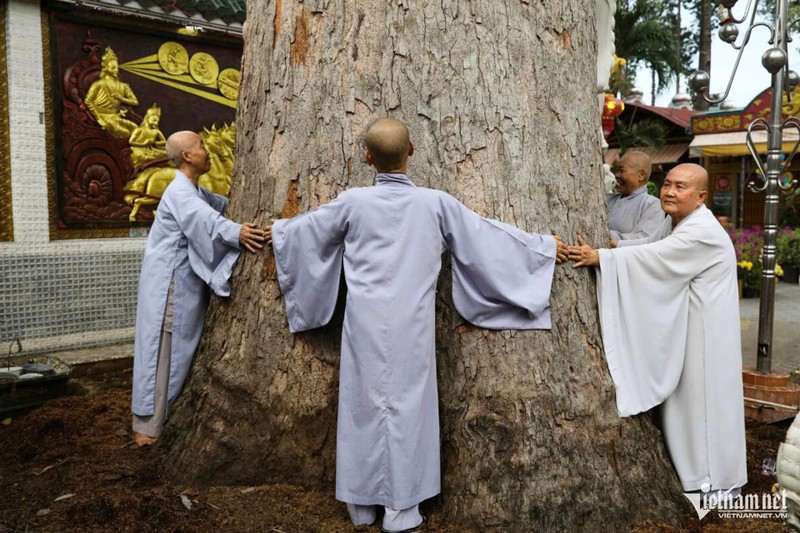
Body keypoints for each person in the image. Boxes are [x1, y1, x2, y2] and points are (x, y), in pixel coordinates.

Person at [265, 118, 567, 532]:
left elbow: (302, 233)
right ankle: (401, 508)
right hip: (411, 322)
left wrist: (271, 232)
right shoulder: (435, 203)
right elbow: (486, 236)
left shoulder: (352, 202)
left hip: (365, 322)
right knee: (407, 406)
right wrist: (542, 248)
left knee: (362, 403)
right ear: (411, 150)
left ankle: (361, 504)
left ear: (367, 157)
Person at [567, 163, 747, 495]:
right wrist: (614, 247)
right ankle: (693, 474)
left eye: (680, 187)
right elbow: (650, 244)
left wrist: (602, 258)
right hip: (692, 324)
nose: (670, 192)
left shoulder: (702, 231)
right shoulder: (676, 221)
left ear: (700, 196)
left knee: (702, 402)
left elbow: (658, 257)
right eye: (667, 184)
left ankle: (711, 480)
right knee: (685, 401)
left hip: (706, 333)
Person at [131, 131, 266, 447]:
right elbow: (204, 220)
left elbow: (216, 207)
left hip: (181, 284)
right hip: (169, 286)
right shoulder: (180, 193)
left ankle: (162, 421)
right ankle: (147, 429)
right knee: (162, 353)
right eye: (202, 145)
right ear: (187, 156)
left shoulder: (193, 191)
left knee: (178, 352)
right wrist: (237, 232)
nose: (207, 150)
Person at [607, 151, 665, 242]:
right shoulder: (607, 199)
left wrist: (605, 235)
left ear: (641, 175)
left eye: (621, 171)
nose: (616, 175)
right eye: (616, 171)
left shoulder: (652, 205)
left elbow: (644, 238)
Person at [85, 47, 140, 139]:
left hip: (115, 116)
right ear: (106, 68)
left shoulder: (123, 86)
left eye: (117, 67)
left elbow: (135, 102)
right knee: (126, 133)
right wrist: (98, 118)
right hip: (102, 115)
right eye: (113, 68)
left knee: (136, 129)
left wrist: (121, 98)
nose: (116, 70)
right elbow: (88, 101)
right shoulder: (99, 84)